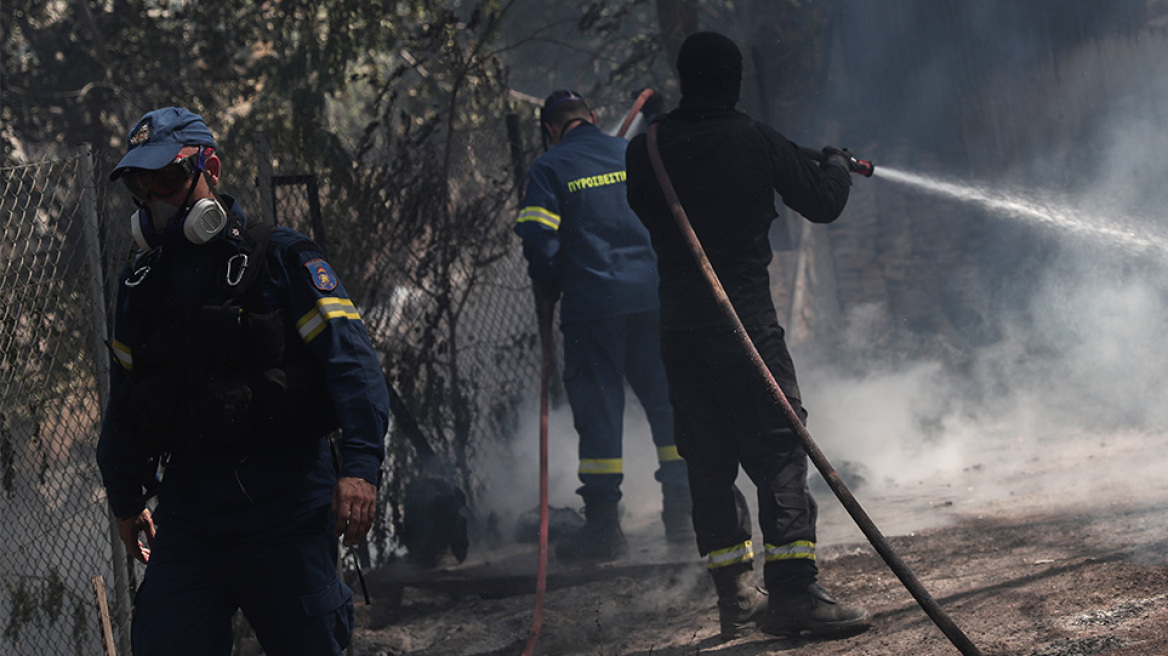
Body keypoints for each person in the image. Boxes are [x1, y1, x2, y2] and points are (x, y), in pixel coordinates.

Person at [96, 107, 390, 655]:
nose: (154, 197)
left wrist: (361, 471)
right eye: (142, 184)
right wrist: (124, 493)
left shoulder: (282, 258)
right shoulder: (140, 284)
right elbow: (127, 393)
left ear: (211, 167)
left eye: (166, 179)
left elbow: (353, 367)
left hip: (288, 508)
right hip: (191, 516)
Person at [625, 33, 870, 640]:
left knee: (707, 462)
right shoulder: (754, 139)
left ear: (685, 78)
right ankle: (791, 594)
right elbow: (822, 204)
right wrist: (836, 165)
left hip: (680, 332)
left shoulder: (646, 147)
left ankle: (735, 599)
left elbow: (651, 213)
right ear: (733, 81)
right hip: (745, 326)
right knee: (780, 450)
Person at [514, 90, 691, 562]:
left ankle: (605, 529)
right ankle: (683, 516)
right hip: (654, 297)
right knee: (668, 405)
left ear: (549, 129)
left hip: (594, 307)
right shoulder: (629, 152)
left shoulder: (549, 169)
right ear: (592, 118)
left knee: (600, 411)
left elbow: (536, 235)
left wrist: (550, 281)